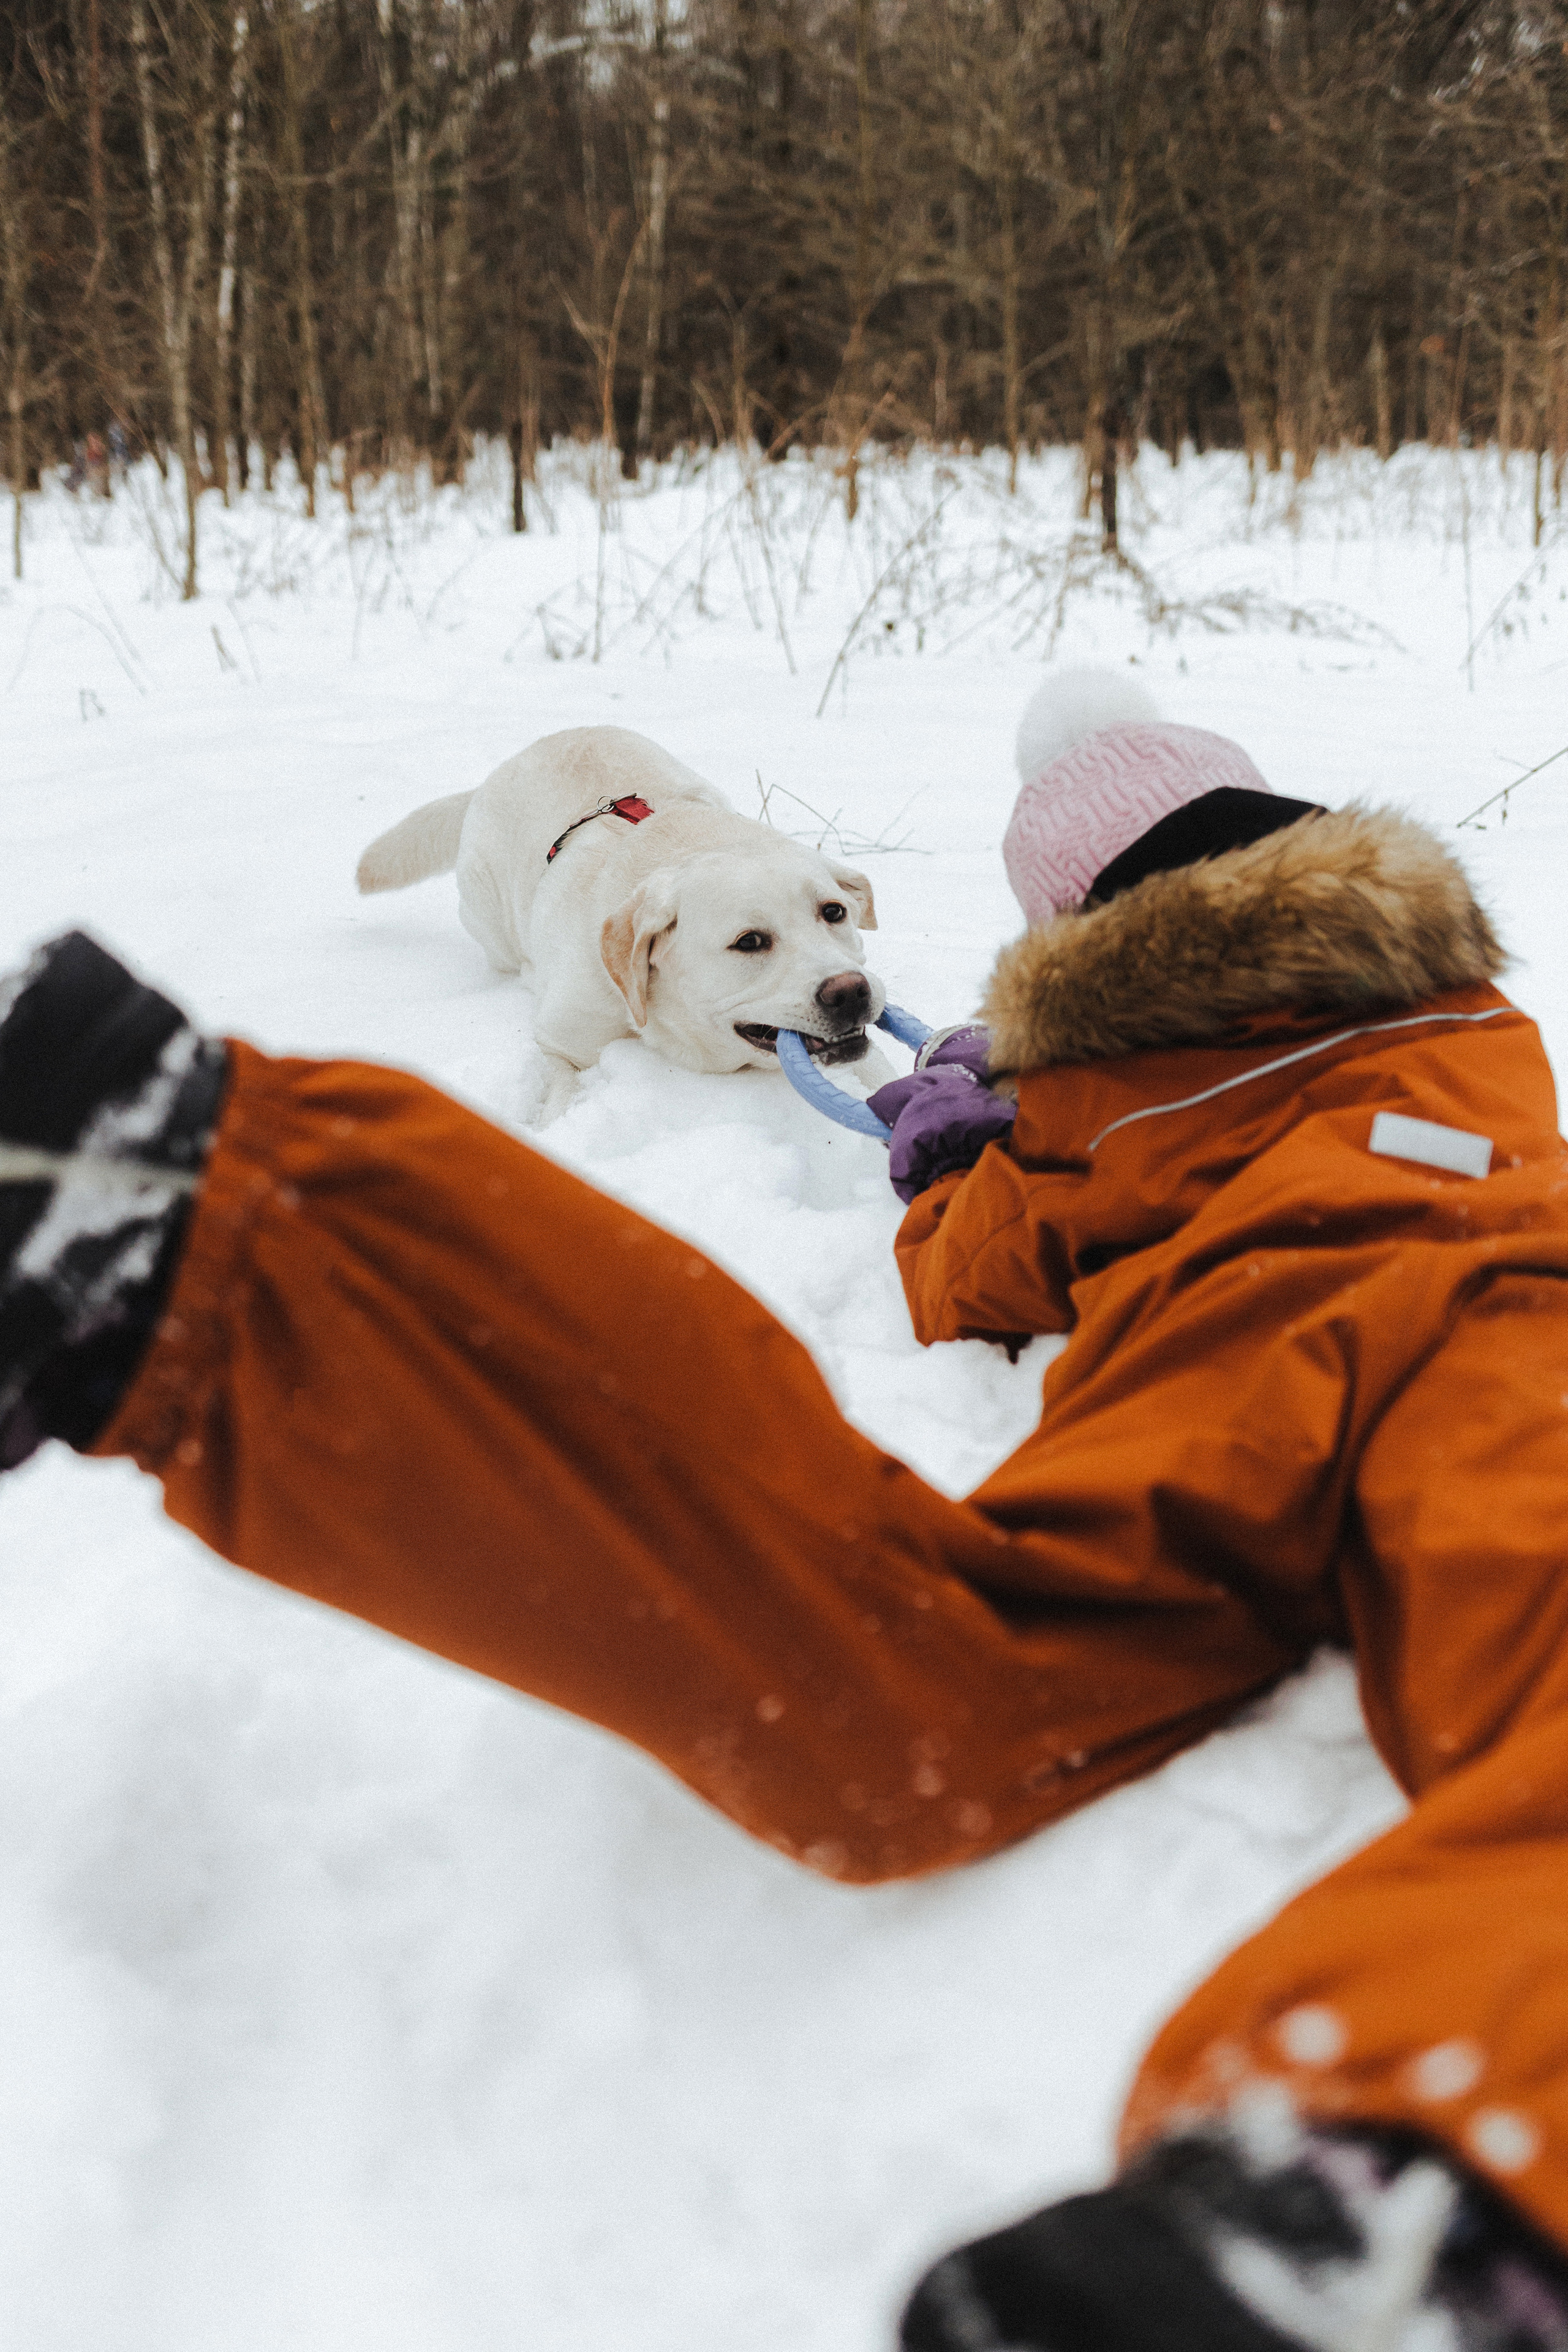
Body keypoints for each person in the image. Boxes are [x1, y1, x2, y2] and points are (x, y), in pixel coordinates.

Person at [4, 682, 1568, 2351]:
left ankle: (196, 1219)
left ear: (1087, 926)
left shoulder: (1102, 1081)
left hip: (1242, 1362)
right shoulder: (1475, 1024)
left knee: (957, 1660)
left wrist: (958, 1155)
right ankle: (1427, 2179)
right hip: (1515, 1327)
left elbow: (970, 1278)